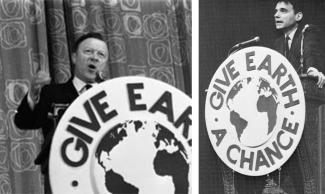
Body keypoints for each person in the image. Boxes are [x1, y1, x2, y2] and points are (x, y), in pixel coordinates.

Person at [14, 32, 109, 194]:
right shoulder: (52, 93)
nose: (94, 57)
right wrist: (34, 93)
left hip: (103, 176)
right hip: (63, 176)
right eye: (88, 52)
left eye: (101, 54)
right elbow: (24, 121)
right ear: (73, 58)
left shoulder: (112, 96)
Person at [273, 0, 325, 88]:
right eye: (276, 11)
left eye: (283, 11)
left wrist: (312, 69)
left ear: (298, 16)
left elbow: (310, 51)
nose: (276, 15)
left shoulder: (307, 32)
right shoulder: (277, 43)